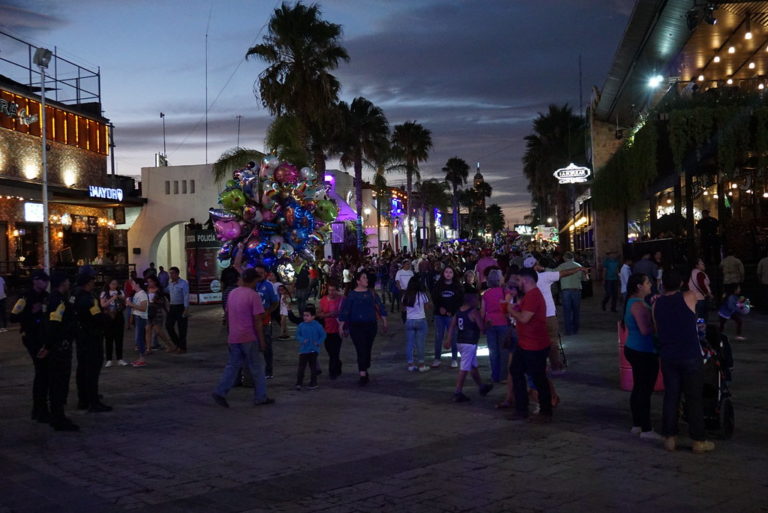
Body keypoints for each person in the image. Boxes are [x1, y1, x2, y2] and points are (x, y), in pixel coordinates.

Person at [653, 270, 715, 453]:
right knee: (694, 397)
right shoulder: (688, 297)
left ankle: (670, 439)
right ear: (681, 283)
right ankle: (698, 440)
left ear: (662, 284)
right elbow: (700, 301)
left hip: (668, 356)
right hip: (689, 354)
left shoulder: (657, 304)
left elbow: (657, 330)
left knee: (671, 396)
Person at [212, 268, 274, 407]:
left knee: (232, 366)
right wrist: (262, 341)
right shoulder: (253, 295)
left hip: (234, 336)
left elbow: (227, 315)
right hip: (248, 336)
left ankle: (220, 391)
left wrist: (229, 332)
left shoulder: (233, 293)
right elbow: (257, 321)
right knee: (257, 368)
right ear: (253, 280)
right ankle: (261, 396)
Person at [524, 256, 587, 372]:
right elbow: (563, 273)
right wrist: (578, 269)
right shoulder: (544, 277)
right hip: (548, 314)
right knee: (552, 341)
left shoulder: (524, 281)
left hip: (532, 316)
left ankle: (539, 365)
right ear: (536, 266)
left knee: (536, 342)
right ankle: (555, 365)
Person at [508, 268, 552, 423]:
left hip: (535, 344)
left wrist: (510, 310)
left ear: (525, 280)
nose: (517, 283)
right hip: (526, 342)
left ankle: (545, 410)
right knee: (517, 371)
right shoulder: (530, 295)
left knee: (538, 377)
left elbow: (525, 318)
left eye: (519, 280)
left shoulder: (533, 295)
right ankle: (522, 408)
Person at [623, 273, 662, 440]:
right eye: (647, 282)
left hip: (634, 348)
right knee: (644, 389)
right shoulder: (638, 305)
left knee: (639, 387)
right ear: (639, 286)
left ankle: (637, 424)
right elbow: (645, 330)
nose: (650, 285)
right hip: (643, 350)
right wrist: (657, 321)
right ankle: (646, 428)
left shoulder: (633, 302)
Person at [10, 270, 51, 423]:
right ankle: (39, 409)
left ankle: (41, 407)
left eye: (46, 281)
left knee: (45, 372)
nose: (45, 283)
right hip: (32, 337)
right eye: (42, 281)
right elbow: (13, 316)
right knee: (41, 372)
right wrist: (32, 313)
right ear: (35, 281)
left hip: (43, 336)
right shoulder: (26, 297)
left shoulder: (45, 296)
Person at [338, 271, 388, 386]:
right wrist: (341, 326)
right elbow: (346, 310)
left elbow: (380, 306)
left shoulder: (371, 293)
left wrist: (384, 320)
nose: (366, 280)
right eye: (364, 278)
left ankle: (365, 366)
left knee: (367, 349)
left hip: (370, 325)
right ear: (358, 281)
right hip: (356, 326)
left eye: (366, 278)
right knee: (360, 349)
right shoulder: (352, 295)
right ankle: (362, 374)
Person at [444, 286, 493, 402]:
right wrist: (488, 325)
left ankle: (481, 386)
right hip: (469, 343)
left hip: (460, 342)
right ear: (473, 300)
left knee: (472, 365)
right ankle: (458, 392)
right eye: (477, 299)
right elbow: (481, 328)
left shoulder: (459, 311)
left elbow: (452, 326)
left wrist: (448, 339)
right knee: (464, 368)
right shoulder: (473, 312)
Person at [44, 273, 79, 431]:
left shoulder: (55, 298)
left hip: (58, 345)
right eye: (66, 282)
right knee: (59, 381)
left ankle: (57, 415)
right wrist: (51, 345)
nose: (69, 285)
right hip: (59, 347)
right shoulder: (58, 300)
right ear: (62, 284)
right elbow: (54, 323)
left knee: (57, 381)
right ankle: (58, 417)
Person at [74, 274, 112, 413]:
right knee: (92, 370)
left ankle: (83, 398)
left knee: (83, 369)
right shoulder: (88, 299)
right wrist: (107, 318)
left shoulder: (75, 296)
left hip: (81, 337)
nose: (93, 284)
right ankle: (93, 401)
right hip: (91, 337)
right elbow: (96, 317)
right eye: (92, 281)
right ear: (88, 283)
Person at [480, 269, 510, 382]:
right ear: (498, 279)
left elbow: (482, 311)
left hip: (489, 323)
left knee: (493, 351)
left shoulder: (486, 293)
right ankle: (503, 376)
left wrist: (482, 325)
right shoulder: (505, 292)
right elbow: (507, 307)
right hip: (502, 322)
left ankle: (495, 375)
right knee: (504, 351)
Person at [431, 266, 463, 368]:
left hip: (452, 316)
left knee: (453, 337)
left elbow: (460, 301)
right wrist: (440, 307)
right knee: (438, 337)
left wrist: (452, 311)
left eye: (450, 272)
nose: (448, 274)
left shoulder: (457, 286)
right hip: (439, 315)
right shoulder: (438, 285)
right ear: (443, 273)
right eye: (446, 272)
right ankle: (437, 358)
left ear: (453, 274)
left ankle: (454, 358)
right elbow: (434, 298)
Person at [403, 275, 430, 372]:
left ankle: (410, 364)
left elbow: (404, 308)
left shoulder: (405, 295)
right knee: (420, 344)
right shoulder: (422, 295)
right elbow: (427, 307)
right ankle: (421, 365)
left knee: (410, 343)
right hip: (420, 320)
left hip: (409, 320)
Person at [295, 304, 326, 390]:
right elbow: (297, 335)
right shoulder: (301, 325)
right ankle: (299, 382)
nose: (305, 317)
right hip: (304, 350)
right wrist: (302, 340)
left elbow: (323, 335)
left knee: (313, 368)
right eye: (304, 315)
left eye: (307, 316)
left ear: (313, 316)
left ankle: (313, 382)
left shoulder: (317, 326)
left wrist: (318, 342)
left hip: (313, 350)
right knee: (301, 367)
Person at [555, 252, 586, 336]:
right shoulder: (579, 266)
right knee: (576, 310)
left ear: (565, 258)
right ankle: (576, 329)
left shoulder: (562, 266)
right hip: (576, 290)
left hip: (566, 290)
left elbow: (555, 275)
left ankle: (568, 330)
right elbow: (584, 279)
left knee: (567, 311)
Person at [317, 281, 344, 379]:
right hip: (326, 330)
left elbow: (346, 312)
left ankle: (332, 372)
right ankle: (338, 363)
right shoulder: (323, 300)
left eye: (333, 290)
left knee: (335, 351)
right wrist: (328, 315)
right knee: (330, 351)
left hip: (338, 329)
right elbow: (319, 314)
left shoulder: (341, 300)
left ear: (337, 291)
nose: (331, 292)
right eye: (330, 290)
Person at [101, 278, 128, 367]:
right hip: (108, 316)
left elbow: (125, 301)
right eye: (112, 284)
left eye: (116, 284)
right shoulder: (104, 293)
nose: (114, 285)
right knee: (109, 338)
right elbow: (103, 305)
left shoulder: (120, 292)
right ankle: (109, 359)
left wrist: (120, 297)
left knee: (119, 337)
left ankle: (120, 358)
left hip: (118, 316)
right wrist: (112, 298)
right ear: (109, 284)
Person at [146, 276, 176, 352]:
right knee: (148, 329)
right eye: (148, 281)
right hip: (149, 311)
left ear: (155, 282)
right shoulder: (147, 290)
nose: (149, 283)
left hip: (157, 311)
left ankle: (170, 345)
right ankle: (148, 348)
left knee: (158, 330)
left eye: (150, 281)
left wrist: (156, 301)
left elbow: (163, 302)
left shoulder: (159, 291)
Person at [166, 266, 190, 353]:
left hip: (181, 307)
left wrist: (186, 308)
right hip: (172, 307)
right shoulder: (170, 284)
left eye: (172, 273)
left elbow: (186, 296)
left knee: (182, 328)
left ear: (177, 273)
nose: (171, 275)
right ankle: (177, 344)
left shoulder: (183, 283)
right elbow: (167, 292)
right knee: (168, 326)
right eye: (170, 273)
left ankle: (182, 347)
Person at [127, 278, 149, 367]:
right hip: (137, 317)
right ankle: (140, 358)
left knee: (139, 338)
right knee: (138, 339)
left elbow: (143, 308)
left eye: (133, 283)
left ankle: (142, 359)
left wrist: (130, 304)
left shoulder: (142, 294)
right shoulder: (137, 294)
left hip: (141, 317)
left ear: (138, 284)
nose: (132, 285)